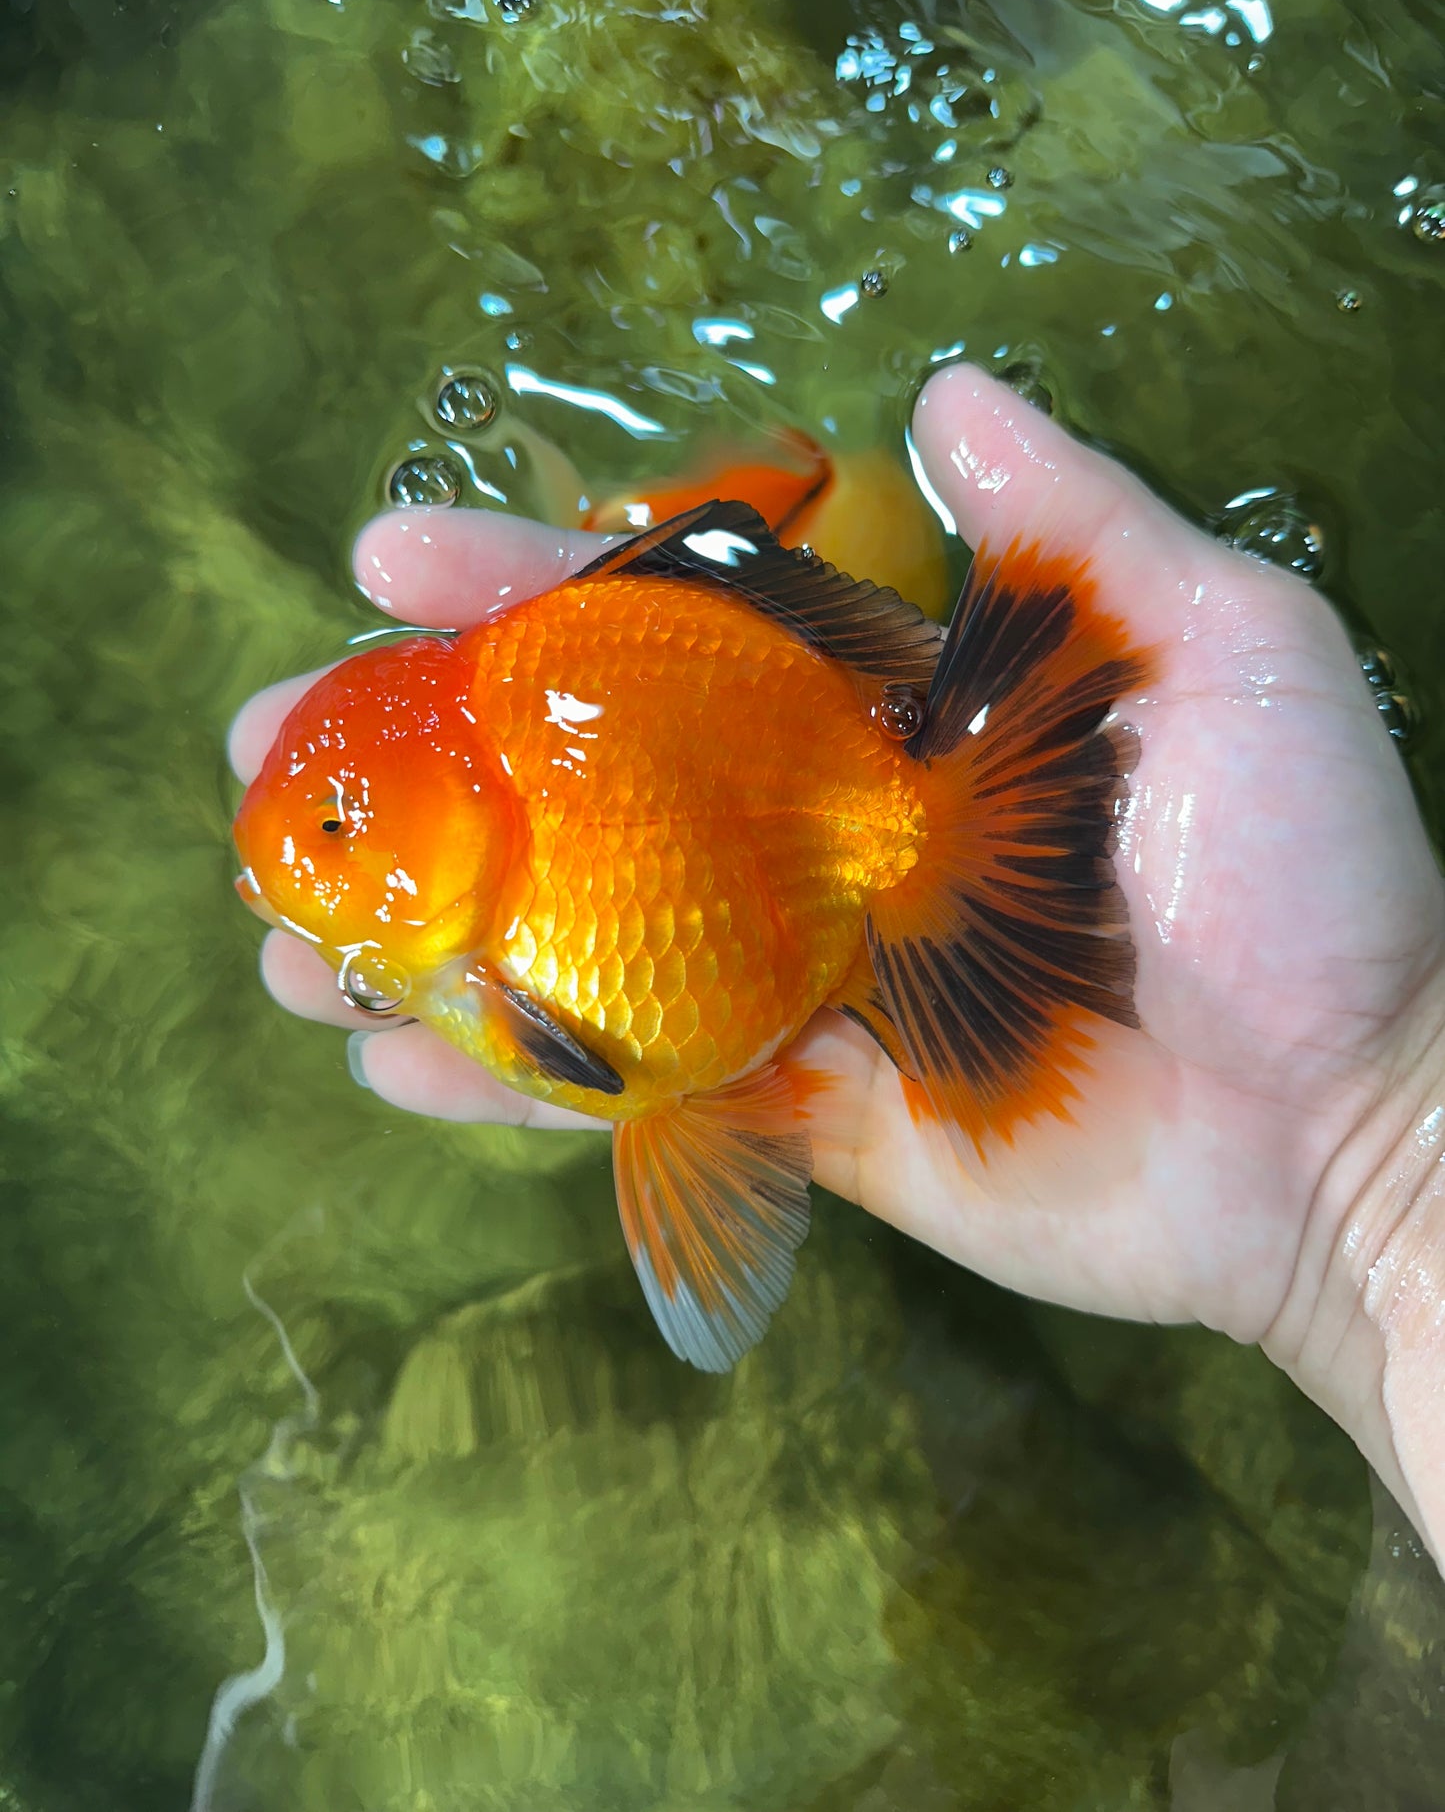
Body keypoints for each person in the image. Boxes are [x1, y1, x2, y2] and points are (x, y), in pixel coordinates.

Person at [230, 363, 1445, 1559]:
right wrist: (1378, 1157)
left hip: (822, 856)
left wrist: (1376, 1137)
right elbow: (640, 1090)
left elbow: (605, 1063)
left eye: (338, 825)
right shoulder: (476, 834)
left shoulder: (503, 882)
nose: (310, 852)